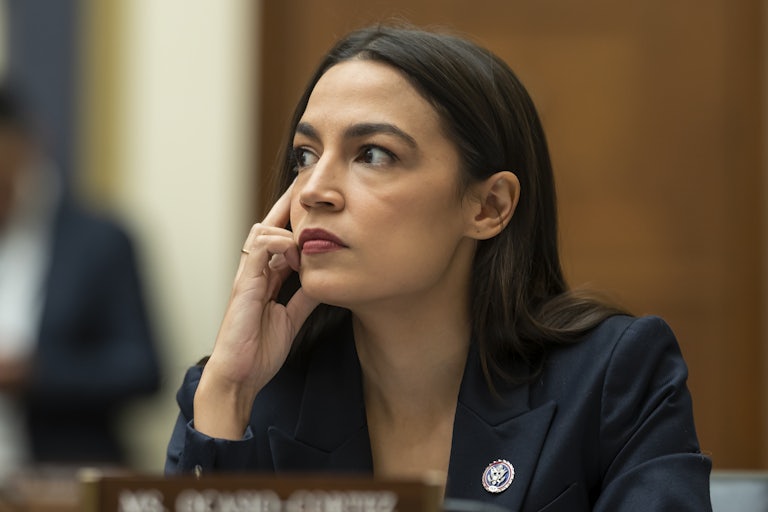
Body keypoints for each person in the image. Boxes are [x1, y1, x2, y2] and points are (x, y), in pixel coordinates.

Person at [165, 25, 712, 511]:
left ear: (488, 206)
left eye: (373, 154)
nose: (313, 191)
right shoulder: (244, 392)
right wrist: (228, 396)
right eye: (304, 156)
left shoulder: (613, 376)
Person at [0, 83, 160, 479]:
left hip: (61, 477)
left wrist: (34, 373)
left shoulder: (98, 240)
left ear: (24, 146)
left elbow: (142, 369)